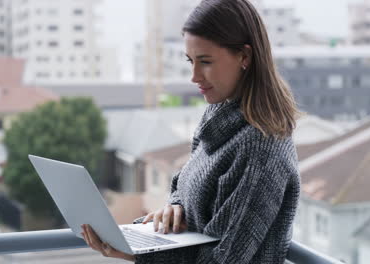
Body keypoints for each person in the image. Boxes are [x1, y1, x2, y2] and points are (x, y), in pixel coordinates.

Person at [82, 0, 301, 263]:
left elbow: (224, 259)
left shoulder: (261, 149)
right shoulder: (218, 116)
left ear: (245, 56)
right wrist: (174, 208)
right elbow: (183, 184)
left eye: (205, 62)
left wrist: (140, 256)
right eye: (190, 61)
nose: (194, 76)